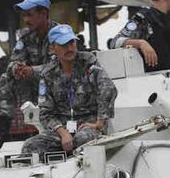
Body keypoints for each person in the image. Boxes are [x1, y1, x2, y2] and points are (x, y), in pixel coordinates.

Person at [21, 25, 117, 158]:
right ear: (52, 48)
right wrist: (63, 133)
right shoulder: (48, 74)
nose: (70, 48)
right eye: (63, 44)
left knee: (81, 140)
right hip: (62, 128)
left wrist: (100, 122)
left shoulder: (88, 61)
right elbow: (45, 113)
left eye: (71, 43)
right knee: (30, 146)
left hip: (89, 126)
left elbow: (108, 87)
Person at [0, 0, 57, 150]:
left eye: (29, 15)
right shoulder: (26, 37)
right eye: (24, 16)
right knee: (6, 78)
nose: (26, 20)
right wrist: (17, 69)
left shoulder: (59, 34)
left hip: (58, 85)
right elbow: (13, 60)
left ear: (43, 14)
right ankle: (3, 134)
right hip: (35, 84)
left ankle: (51, 130)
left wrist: (31, 70)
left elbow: (58, 68)